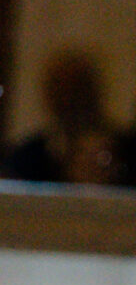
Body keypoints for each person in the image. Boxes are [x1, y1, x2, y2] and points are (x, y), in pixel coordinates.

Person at [2, 48, 117, 186]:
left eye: (76, 88)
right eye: (60, 88)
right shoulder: (28, 156)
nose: (68, 98)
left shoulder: (122, 150)